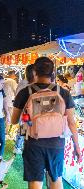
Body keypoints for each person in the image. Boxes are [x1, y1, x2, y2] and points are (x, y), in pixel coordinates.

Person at [11, 57, 82, 189]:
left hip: (33, 142)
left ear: (35, 72)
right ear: (53, 73)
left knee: (35, 182)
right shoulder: (63, 92)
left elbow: (14, 120)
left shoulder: (25, 92)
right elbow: (71, 123)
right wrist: (77, 146)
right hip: (57, 143)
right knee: (56, 179)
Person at [14, 64, 36, 154]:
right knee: (24, 129)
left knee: (23, 128)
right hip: (26, 112)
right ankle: (19, 147)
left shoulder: (22, 83)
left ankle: (18, 146)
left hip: (23, 111)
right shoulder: (26, 85)